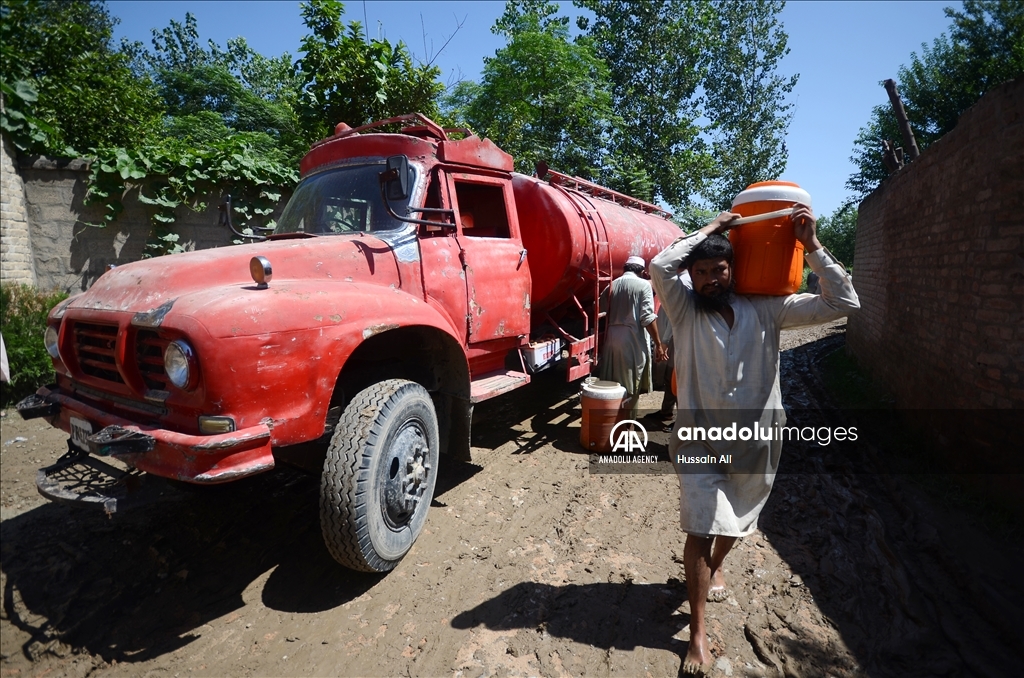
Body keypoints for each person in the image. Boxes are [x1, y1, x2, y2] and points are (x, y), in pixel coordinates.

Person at [650, 206, 859, 675]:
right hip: (699, 439)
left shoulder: (768, 310)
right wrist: (713, 228)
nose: (710, 279)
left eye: (718, 270)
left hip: (756, 438)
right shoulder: (683, 310)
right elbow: (661, 265)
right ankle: (697, 634)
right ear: (691, 276)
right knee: (700, 525)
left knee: (738, 519)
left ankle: (716, 565)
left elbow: (843, 303)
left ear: (733, 269)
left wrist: (811, 245)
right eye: (701, 272)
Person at [600, 255, 668, 420]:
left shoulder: (611, 285)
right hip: (632, 341)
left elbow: (600, 310)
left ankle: (610, 420)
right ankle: (628, 423)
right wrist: (658, 345)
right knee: (630, 385)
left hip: (611, 339)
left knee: (612, 384)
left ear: (625, 268)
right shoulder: (644, 285)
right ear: (642, 271)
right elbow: (647, 318)